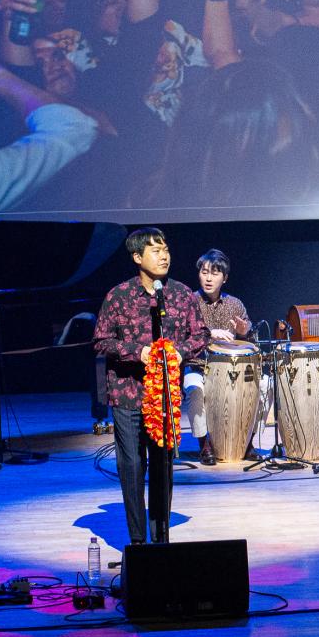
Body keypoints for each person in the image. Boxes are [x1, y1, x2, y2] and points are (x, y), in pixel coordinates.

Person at [93, 229, 207, 544]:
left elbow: (200, 334)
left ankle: (161, 539)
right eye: (155, 251)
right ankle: (138, 542)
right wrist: (137, 352)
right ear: (137, 257)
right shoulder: (118, 296)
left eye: (165, 249)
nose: (164, 256)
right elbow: (101, 341)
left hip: (165, 397)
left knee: (163, 465)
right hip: (128, 392)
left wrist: (179, 352)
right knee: (131, 465)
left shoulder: (181, 294)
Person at [183, 249, 254, 466]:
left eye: (214, 273)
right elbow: (181, 336)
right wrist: (208, 333)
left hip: (232, 370)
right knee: (194, 389)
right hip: (198, 366)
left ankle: (248, 441)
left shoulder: (235, 304)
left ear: (225, 278)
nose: (208, 278)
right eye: (204, 272)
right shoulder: (189, 302)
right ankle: (204, 444)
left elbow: (251, 341)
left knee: (264, 385)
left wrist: (244, 332)